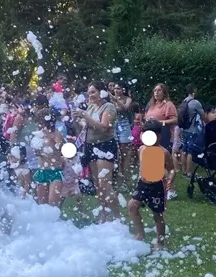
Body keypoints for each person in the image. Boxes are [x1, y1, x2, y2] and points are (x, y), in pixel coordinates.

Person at [75, 82, 120, 223]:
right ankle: (103, 216)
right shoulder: (91, 106)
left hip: (105, 146)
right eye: (89, 93)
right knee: (97, 184)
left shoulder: (109, 107)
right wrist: (78, 120)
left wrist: (84, 115)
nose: (90, 95)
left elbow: (104, 127)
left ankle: (118, 218)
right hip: (90, 146)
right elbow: (87, 126)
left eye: (93, 92)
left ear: (102, 92)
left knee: (105, 184)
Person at [128, 120, 174, 250]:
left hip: (157, 186)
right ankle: (140, 233)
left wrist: (170, 179)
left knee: (157, 215)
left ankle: (160, 242)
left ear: (158, 136)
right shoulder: (141, 149)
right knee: (132, 206)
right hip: (143, 184)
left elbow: (171, 169)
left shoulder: (164, 152)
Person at [144, 84, 178, 198]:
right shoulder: (151, 105)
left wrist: (161, 122)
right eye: (155, 90)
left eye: (159, 90)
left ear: (164, 92)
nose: (157, 92)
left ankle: (171, 190)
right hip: (150, 135)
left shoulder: (168, 104)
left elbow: (175, 119)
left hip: (162, 133)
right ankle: (156, 185)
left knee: (164, 161)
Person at [32, 108, 65, 206]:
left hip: (55, 172)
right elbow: (37, 152)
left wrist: (50, 137)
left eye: (40, 122)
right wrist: (38, 152)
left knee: (52, 204)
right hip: (42, 171)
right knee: (42, 205)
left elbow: (60, 148)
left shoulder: (56, 134)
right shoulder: (38, 136)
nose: (38, 125)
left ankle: (56, 220)